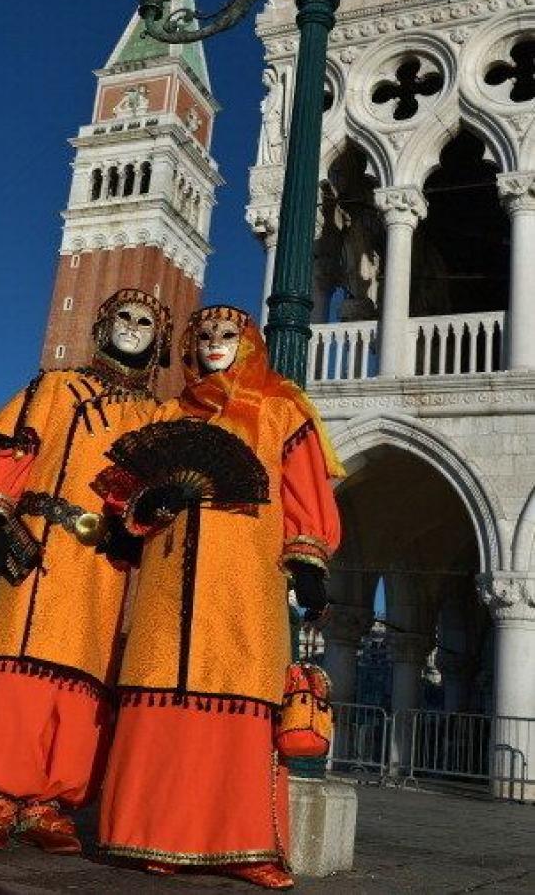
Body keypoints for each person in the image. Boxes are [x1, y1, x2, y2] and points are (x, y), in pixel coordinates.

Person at [98, 305, 343, 890]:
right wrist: (142, 510)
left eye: (227, 335)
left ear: (249, 342)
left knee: (241, 698)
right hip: (167, 578)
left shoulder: (280, 410)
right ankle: (151, 836)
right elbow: (123, 496)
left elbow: (306, 492)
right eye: (203, 335)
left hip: (245, 580)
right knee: (163, 693)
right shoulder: (166, 413)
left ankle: (244, 843)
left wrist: (308, 562)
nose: (213, 344)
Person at [0, 288, 172, 855]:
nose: (134, 327)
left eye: (146, 321)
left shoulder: (159, 416)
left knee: (83, 678)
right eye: (125, 316)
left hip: (103, 564)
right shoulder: (53, 386)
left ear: (160, 338)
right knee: (12, 666)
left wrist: (139, 521)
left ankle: (52, 804)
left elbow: (157, 496)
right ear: (102, 324)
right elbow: (9, 454)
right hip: (38, 548)